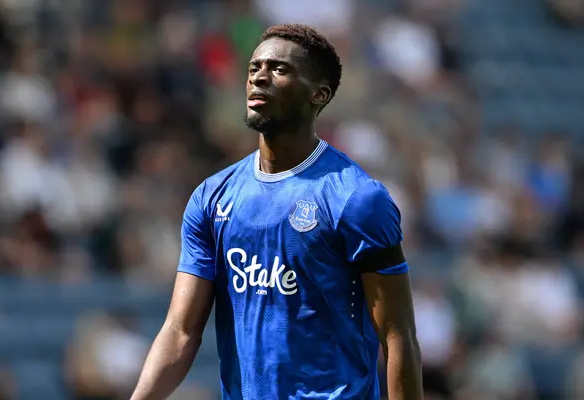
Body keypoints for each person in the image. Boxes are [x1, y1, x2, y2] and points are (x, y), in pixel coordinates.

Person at [131, 24, 422, 400]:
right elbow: (180, 330)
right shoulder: (212, 197)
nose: (259, 78)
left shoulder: (357, 200)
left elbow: (398, 335)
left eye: (279, 69)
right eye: (254, 68)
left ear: (320, 94)